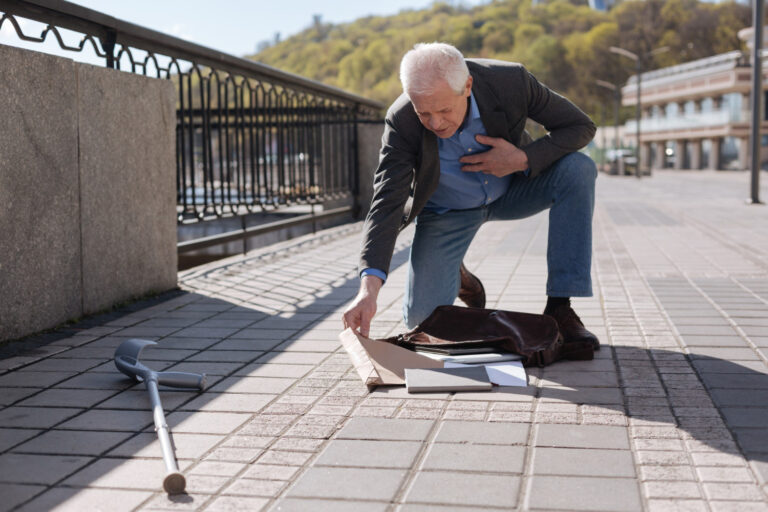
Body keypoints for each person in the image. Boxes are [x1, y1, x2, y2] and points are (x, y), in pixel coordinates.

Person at [342, 42, 599, 350]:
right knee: (423, 325)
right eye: (424, 113)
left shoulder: (510, 81)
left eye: (444, 110)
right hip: (447, 212)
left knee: (578, 169)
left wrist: (521, 159)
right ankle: (460, 277)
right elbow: (386, 202)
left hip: (513, 189)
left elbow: (580, 125)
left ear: (467, 86)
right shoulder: (401, 120)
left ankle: (561, 308)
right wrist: (368, 291)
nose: (435, 123)